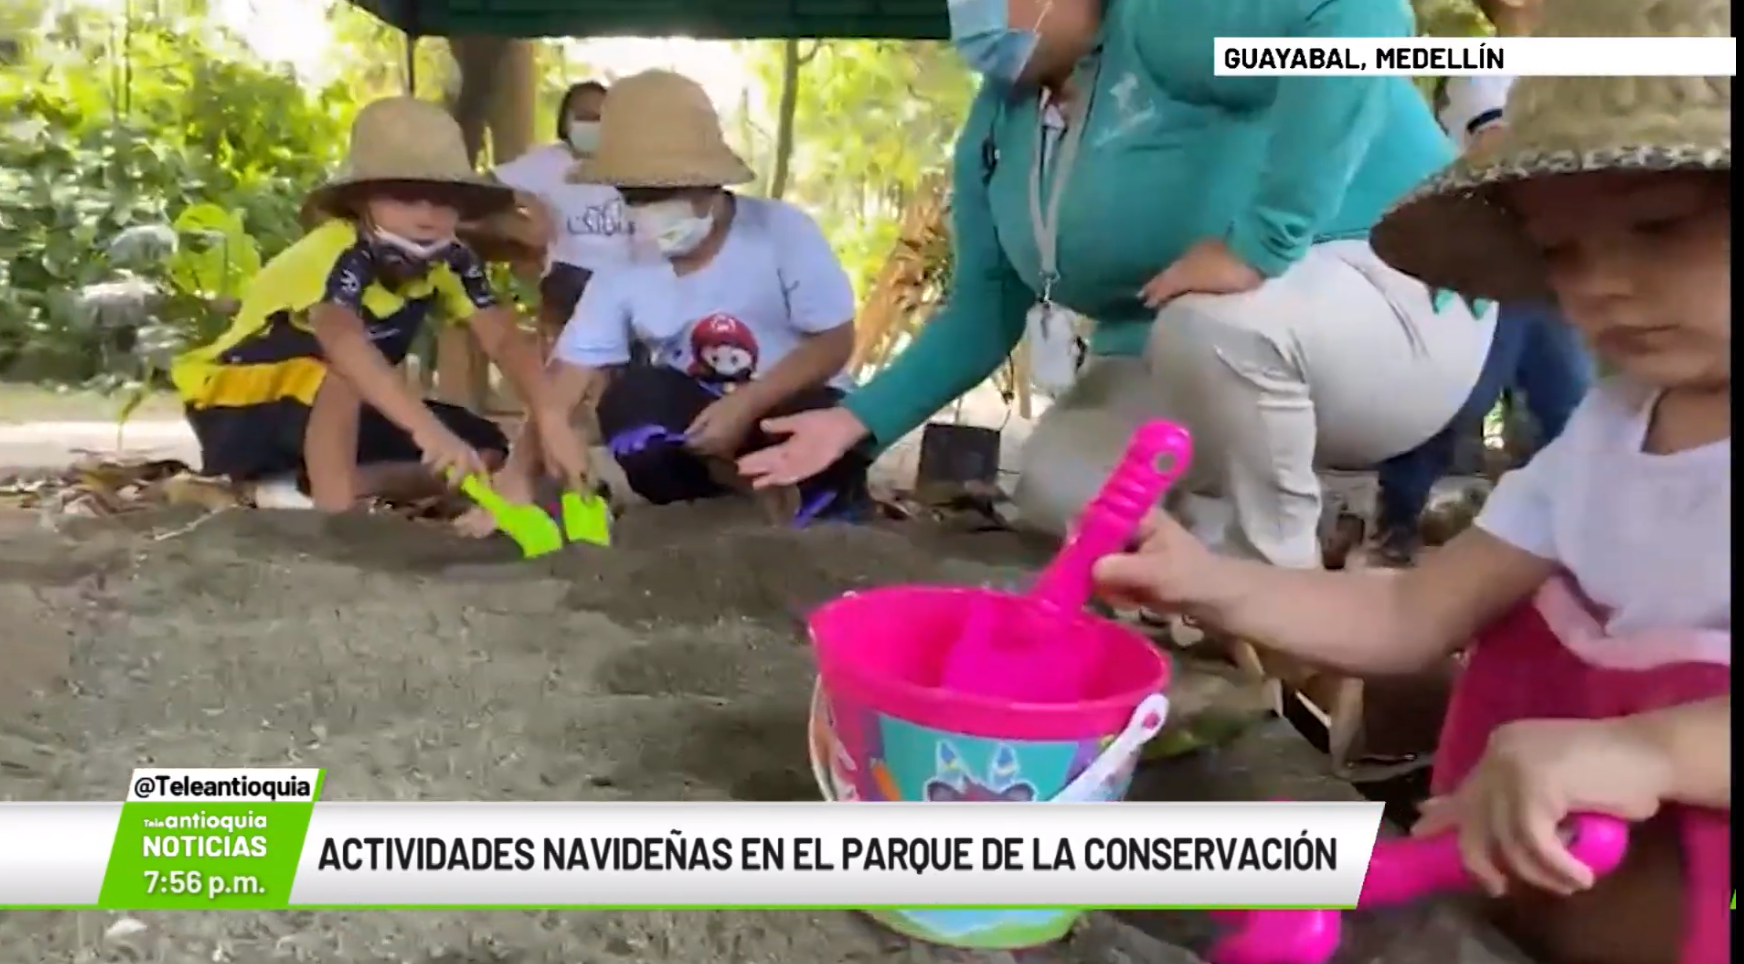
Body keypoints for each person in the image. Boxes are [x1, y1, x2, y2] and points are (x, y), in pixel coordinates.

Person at [1095, 1, 1730, 962]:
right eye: (1561, 252)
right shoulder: (1605, 437)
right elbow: (1415, 613)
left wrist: (1649, 752)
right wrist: (1208, 580)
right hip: (1522, 906)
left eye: (1655, 228)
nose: (1599, 284)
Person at [739, 0, 1497, 572]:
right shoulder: (998, 128)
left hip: (1392, 292)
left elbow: (1359, 21)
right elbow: (984, 307)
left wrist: (1262, 243)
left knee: (1216, 328)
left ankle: (1274, 578)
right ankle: (1200, 562)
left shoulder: (1171, 24)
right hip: (1185, 344)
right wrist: (855, 421)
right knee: (1060, 490)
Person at [459, 70, 868, 532]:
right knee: (632, 405)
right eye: (636, 196)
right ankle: (729, 493)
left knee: (832, 428)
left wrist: (748, 404)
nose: (650, 209)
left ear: (711, 183)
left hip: (788, 412)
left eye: (667, 192)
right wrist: (519, 474)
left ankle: (803, 498)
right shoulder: (622, 267)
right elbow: (566, 379)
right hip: (697, 436)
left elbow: (835, 342)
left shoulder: (781, 232)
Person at [170, 97, 593, 512]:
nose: (427, 215)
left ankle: (286, 492)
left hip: (331, 411)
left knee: (481, 451)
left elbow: (501, 338)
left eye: (444, 199)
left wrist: (550, 414)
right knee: (346, 371)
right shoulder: (336, 250)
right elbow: (344, 342)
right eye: (406, 197)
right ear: (361, 200)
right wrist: (427, 432)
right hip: (238, 405)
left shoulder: (450, 259)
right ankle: (334, 515)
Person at [1372, 0, 1595, 561]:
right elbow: (1493, 148)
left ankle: (1565, 533)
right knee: (1458, 398)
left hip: (1543, 271)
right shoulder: (1484, 66)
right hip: (1492, 269)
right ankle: (1396, 519)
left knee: (1569, 399)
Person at [492, 80, 633, 345]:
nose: (593, 123)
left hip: (626, 276)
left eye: (600, 117)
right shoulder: (545, 162)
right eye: (584, 117)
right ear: (565, 121)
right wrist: (523, 201)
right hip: (570, 274)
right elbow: (485, 185)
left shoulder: (632, 164)